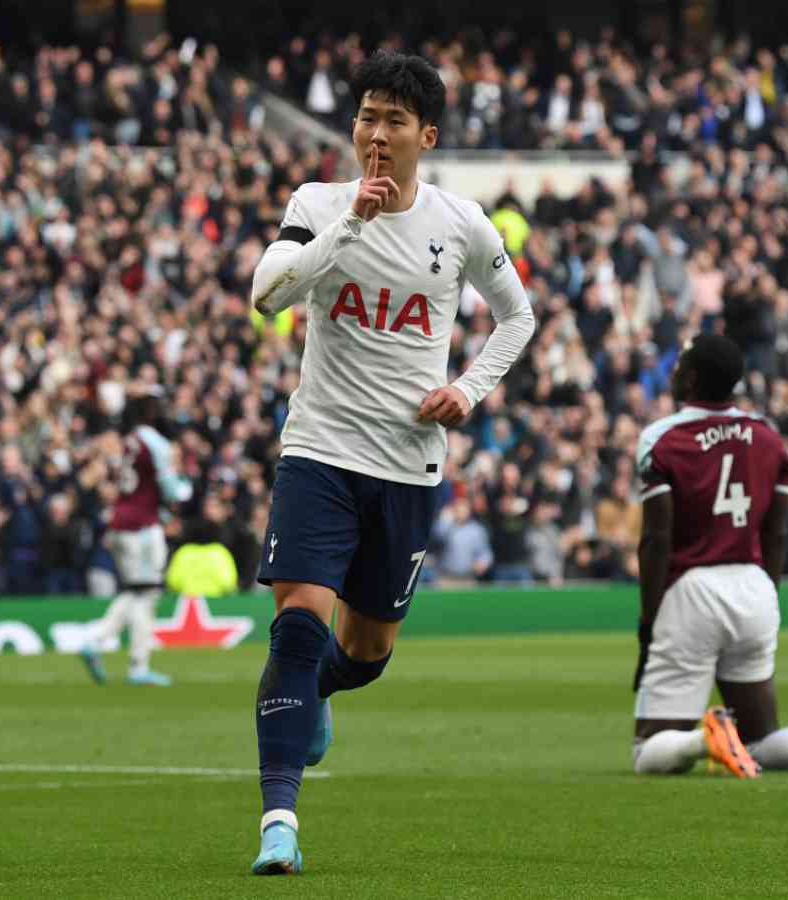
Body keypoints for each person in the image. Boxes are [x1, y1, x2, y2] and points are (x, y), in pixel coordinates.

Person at [246, 51, 535, 874]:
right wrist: (350, 227)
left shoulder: (462, 224)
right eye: (367, 117)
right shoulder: (318, 204)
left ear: (425, 136)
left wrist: (469, 389)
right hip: (320, 452)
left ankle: (324, 697)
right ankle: (279, 823)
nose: (376, 134)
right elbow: (267, 294)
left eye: (394, 121)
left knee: (365, 655)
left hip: (407, 465)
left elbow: (518, 317)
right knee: (297, 625)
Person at [632, 334, 788, 777]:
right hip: (754, 585)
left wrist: (649, 622)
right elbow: (777, 533)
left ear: (688, 378)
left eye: (678, 366)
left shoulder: (662, 438)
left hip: (692, 589)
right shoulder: (768, 437)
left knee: (648, 752)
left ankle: (703, 737)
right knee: (761, 739)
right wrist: (768, 591)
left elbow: (656, 538)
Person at [79, 389, 192, 686]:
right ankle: (132, 662)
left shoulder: (127, 442)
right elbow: (171, 489)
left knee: (136, 591)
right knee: (146, 594)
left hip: (120, 522)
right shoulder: (155, 443)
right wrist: (186, 489)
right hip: (142, 528)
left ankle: (100, 643)